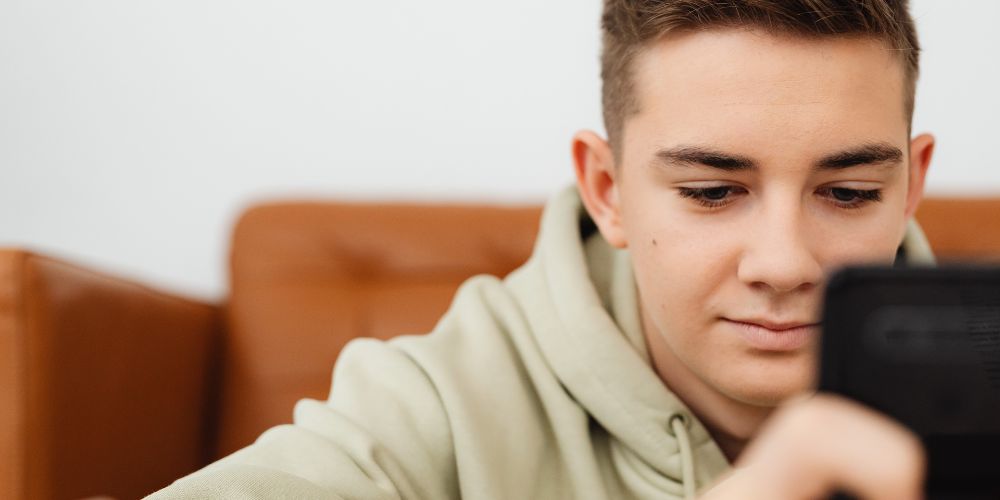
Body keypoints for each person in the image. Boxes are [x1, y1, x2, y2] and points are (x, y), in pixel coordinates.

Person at [149, 1, 936, 498]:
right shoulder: (444, 402)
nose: (785, 263)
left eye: (849, 194)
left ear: (911, 186)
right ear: (607, 189)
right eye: (711, 192)